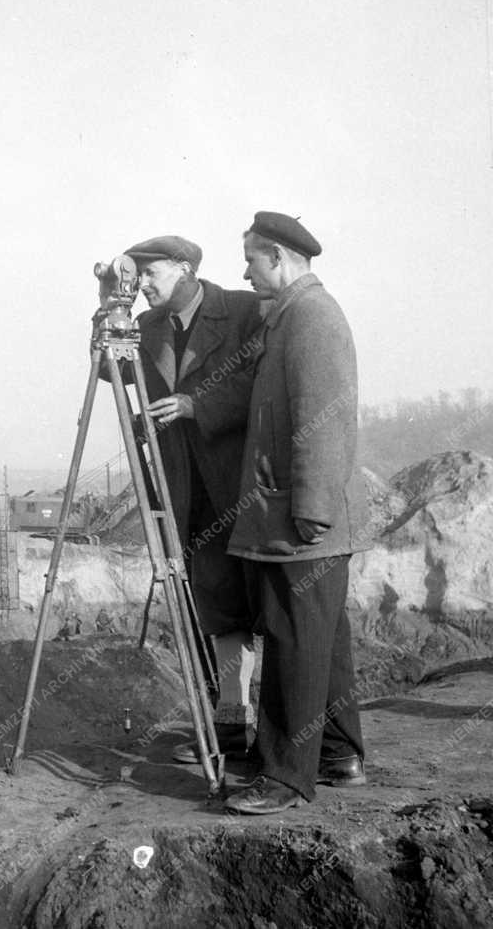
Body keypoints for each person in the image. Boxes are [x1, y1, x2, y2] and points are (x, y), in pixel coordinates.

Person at [223, 212, 371, 815]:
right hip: (300, 516)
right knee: (323, 641)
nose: (245, 271)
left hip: (302, 521)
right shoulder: (293, 315)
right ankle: (338, 754)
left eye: (252, 260)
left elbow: (324, 419)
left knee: (292, 641)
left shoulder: (311, 317)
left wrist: (310, 511)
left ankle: (284, 778)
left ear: (279, 257)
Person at [110, 235, 266, 757]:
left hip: (240, 487)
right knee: (215, 600)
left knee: (264, 604)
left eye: (150, 274)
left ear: (184, 268)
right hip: (184, 489)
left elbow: (263, 384)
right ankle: (229, 719)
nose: (143, 285)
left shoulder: (243, 312)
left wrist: (198, 405)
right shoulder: (147, 328)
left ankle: (278, 730)